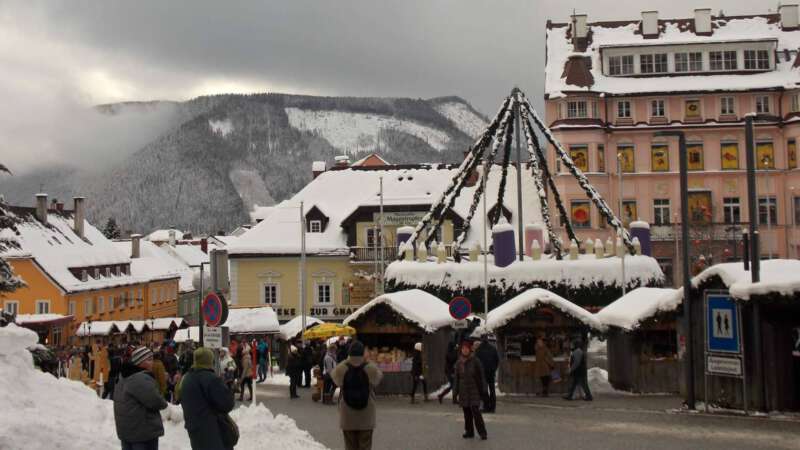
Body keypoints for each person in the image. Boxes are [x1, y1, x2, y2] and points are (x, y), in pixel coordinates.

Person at [178, 347, 236, 450]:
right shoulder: (211, 378)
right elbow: (227, 404)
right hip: (212, 430)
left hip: (194, 428)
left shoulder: (186, 378)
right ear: (210, 360)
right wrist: (229, 389)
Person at [113, 346, 168, 450]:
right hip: (142, 433)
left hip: (128, 431)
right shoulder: (140, 379)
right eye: (149, 359)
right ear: (140, 361)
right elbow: (157, 402)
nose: (152, 363)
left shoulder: (124, 376)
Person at [331, 341, 383, 450]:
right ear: (363, 352)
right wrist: (367, 360)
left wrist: (347, 360)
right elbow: (378, 378)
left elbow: (335, 379)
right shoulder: (370, 368)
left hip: (347, 416)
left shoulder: (341, 368)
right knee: (365, 446)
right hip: (366, 415)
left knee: (350, 446)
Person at [454, 340, 487, 440]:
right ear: (461, 350)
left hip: (474, 390)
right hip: (463, 390)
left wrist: (484, 389)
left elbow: (482, 376)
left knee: (476, 412)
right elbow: (456, 378)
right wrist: (455, 393)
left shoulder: (475, 360)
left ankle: (482, 433)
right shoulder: (458, 362)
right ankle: (469, 432)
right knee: (466, 413)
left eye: (466, 348)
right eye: (463, 349)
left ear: (470, 350)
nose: (464, 350)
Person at [474, 335, 499, 413]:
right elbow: (497, 360)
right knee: (492, 390)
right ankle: (492, 407)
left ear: (481, 339)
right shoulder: (493, 348)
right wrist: (494, 369)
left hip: (483, 374)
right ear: (487, 339)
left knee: (484, 391)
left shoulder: (478, 350)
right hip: (491, 373)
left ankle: (487, 406)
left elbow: (476, 362)